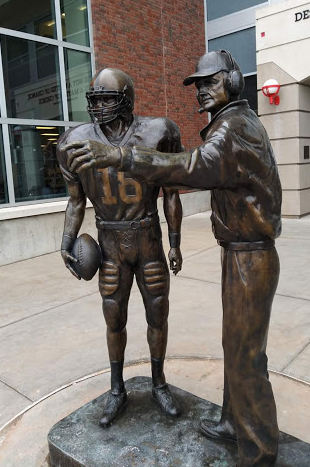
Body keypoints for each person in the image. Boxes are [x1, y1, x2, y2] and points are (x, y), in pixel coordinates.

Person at [60, 51, 282, 467]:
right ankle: (234, 422)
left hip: (249, 254)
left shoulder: (233, 129)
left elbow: (193, 166)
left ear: (233, 83)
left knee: (246, 355)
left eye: (209, 82)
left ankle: (258, 454)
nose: (200, 91)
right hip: (233, 251)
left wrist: (122, 158)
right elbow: (76, 201)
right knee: (236, 347)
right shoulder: (229, 125)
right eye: (196, 84)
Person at [57, 68, 183, 428]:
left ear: (126, 100)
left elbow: (172, 194)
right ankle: (117, 389)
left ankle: (159, 383)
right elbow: (76, 201)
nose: (98, 107)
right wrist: (66, 241)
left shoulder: (159, 131)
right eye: (94, 100)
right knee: (114, 319)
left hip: (149, 240)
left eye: (107, 99)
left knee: (158, 314)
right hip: (110, 242)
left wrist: (175, 243)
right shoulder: (73, 141)